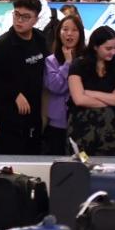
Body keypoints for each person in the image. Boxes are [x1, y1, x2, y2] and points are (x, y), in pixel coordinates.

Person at [0, 0, 48, 155]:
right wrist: (14, 94)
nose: (19, 20)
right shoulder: (1, 46)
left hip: (36, 114)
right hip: (10, 118)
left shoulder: (40, 39)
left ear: (36, 19)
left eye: (26, 17)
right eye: (17, 15)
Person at [67, 26, 115, 156]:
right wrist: (110, 100)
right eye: (108, 48)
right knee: (81, 167)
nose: (113, 52)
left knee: (109, 172)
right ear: (95, 47)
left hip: (110, 132)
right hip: (81, 131)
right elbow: (79, 99)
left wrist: (91, 93)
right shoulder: (78, 66)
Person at [43, 14, 85, 155]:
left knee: (82, 159)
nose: (69, 34)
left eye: (74, 30)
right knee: (58, 160)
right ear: (59, 33)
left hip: (82, 122)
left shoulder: (87, 60)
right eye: (65, 29)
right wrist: (67, 63)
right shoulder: (51, 60)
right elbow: (55, 87)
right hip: (58, 124)